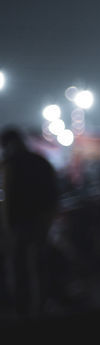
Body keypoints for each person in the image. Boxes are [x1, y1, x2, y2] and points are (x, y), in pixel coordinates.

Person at [1, 127, 60, 316]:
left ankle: (25, 307)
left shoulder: (10, 165)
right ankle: (41, 303)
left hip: (20, 225)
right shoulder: (40, 162)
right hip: (39, 222)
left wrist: (8, 227)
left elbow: (9, 201)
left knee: (21, 267)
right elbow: (53, 194)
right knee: (39, 264)